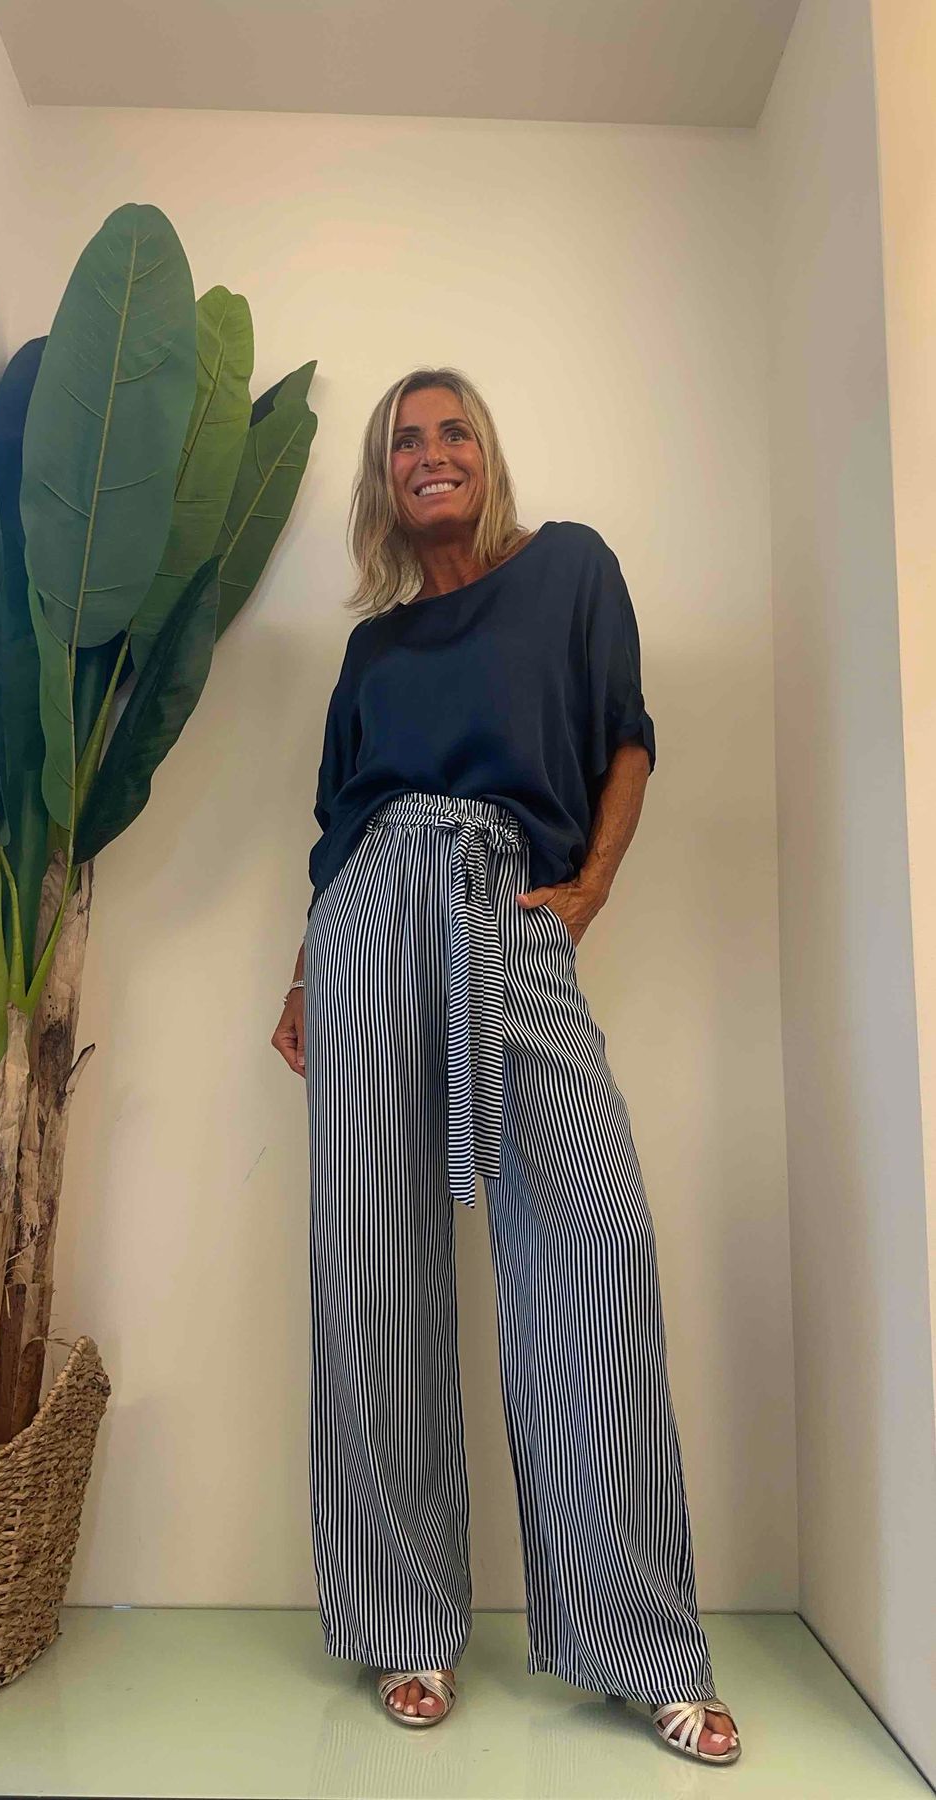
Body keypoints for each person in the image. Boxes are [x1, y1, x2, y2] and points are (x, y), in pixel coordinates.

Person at [271, 367, 742, 1767]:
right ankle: (405, 1622)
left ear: (486, 454)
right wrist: (303, 973)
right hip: (368, 926)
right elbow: (336, 829)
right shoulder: (371, 652)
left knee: (594, 1248)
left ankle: (642, 1642)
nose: (431, 453)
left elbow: (626, 739)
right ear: (383, 482)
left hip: (510, 911)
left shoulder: (567, 571)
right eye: (404, 441)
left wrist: (587, 891)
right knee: (372, 1269)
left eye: (453, 431)